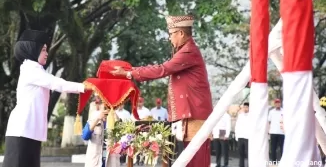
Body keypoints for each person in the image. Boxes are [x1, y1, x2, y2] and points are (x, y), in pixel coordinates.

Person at [111, 15, 213, 167]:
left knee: (196, 162)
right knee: (188, 161)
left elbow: (162, 70)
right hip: (189, 116)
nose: (169, 38)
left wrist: (129, 72)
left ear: (181, 33)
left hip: (195, 115)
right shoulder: (183, 51)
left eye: (171, 34)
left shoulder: (189, 51)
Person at [2, 30, 92, 167]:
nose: (46, 53)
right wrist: (84, 87)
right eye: (43, 49)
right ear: (33, 50)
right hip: (21, 132)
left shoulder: (36, 70)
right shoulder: (30, 70)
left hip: (30, 132)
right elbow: (58, 84)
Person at [82, 97, 108, 167]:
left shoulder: (112, 118)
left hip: (108, 159)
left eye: (101, 104)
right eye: (98, 104)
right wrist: (97, 120)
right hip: (95, 158)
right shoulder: (92, 119)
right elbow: (85, 136)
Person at [235, 102, 250, 167]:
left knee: (248, 154)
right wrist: (236, 136)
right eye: (244, 107)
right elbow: (237, 126)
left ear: (249, 108)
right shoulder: (240, 115)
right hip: (240, 137)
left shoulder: (252, 116)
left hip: (248, 137)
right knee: (241, 154)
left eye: (246, 107)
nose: (245, 108)